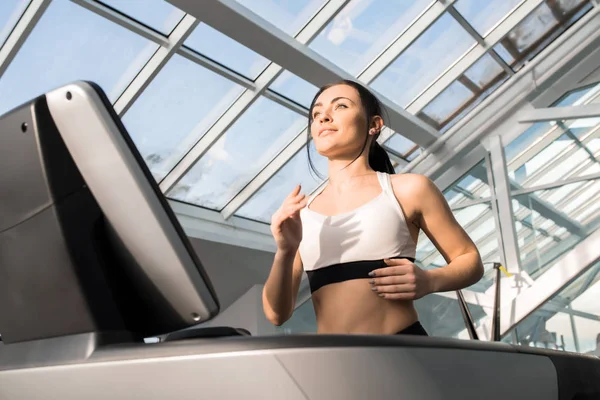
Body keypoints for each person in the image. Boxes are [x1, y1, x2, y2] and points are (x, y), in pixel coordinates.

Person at [262, 79, 484, 336]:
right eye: (316, 113)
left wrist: (430, 280)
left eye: (341, 106)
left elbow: (470, 259)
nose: (324, 117)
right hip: (336, 364)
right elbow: (276, 314)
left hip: (405, 352)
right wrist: (285, 251)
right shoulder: (300, 213)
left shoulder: (409, 189)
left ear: (374, 125)